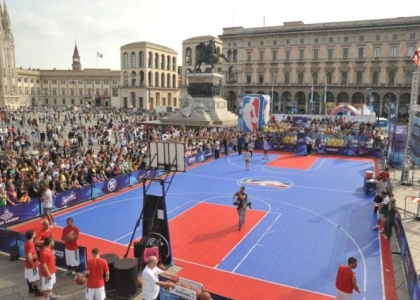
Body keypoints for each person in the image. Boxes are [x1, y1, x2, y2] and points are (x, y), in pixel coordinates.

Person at [24, 229, 44, 297]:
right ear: (32, 235)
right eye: (34, 233)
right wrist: (33, 264)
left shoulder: (27, 242)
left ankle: (30, 289)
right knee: (34, 278)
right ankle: (36, 292)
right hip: (32, 265)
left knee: (29, 277)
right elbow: (29, 255)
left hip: (27, 264)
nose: (35, 234)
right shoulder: (31, 244)